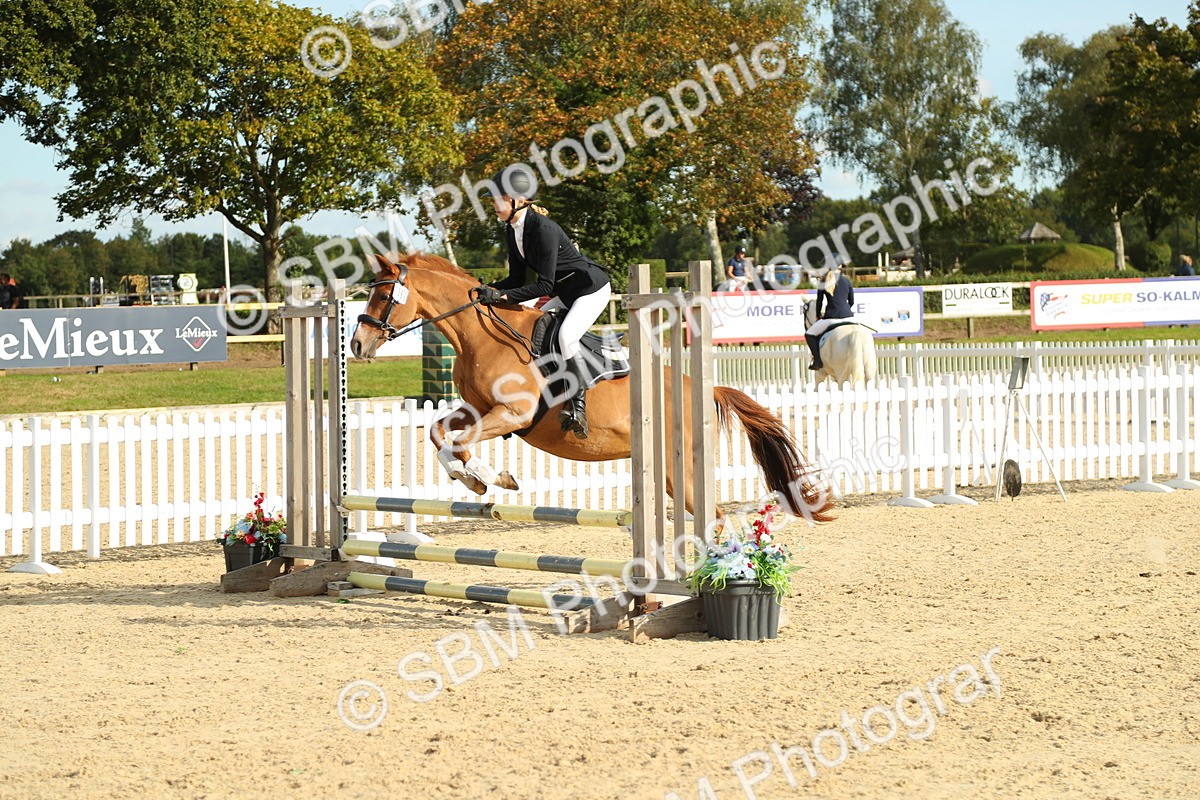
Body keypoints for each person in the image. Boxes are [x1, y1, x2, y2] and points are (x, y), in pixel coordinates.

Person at [476, 165, 612, 440]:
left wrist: (502, 297)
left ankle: (577, 405)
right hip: (565, 291)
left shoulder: (543, 230)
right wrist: (489, 289)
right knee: (530, 327)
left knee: (565, 336)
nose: (493, 205)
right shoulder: (512, 229)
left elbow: (544, 286)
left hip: (589, 289)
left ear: (518, 200)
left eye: (497, 199)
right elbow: (517, 278)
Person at [805, 262, 854, 370]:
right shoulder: (847, 281)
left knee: (809, 334)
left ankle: (817, 361)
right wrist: (845, 311)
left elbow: (820, 303)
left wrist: (818, 315)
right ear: (841, 266)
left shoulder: (824, 281)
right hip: (849, 317)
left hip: (832, 317)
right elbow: (851, 301)